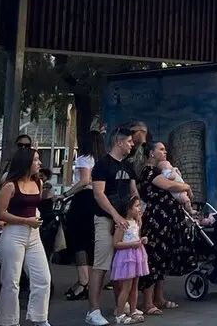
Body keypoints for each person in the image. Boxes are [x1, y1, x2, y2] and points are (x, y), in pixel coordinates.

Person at [0, 148, 51, 326]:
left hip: (33, 234)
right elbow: (0, 213)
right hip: (14, 233)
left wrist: (33, 218)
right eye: (35, 160)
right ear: (26, 163)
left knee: (43, 277)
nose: (39, 163)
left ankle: (39, 317)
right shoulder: (10, 185)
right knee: (11, 280)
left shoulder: (38, 183)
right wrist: (24, 220)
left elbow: (35, 204)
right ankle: (9, 321)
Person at [86, 128, 137, 326]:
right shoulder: (102, 165)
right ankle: (93, 310)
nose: (132, 145)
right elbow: (99, 194)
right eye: (130, 141)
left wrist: (136, 214)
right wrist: (115, 215)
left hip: (124, 221)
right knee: (101, 265)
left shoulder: (128, 166)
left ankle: (121, 305)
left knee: (122, 264)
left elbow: (133, 192)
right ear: (119, 142)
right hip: (105, 219)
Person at [138, 142, 195, 316]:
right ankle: (148, 302)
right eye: (160, 149)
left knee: (163, 259)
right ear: (151, 153)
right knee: (154, 260)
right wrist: (186, 186)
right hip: (157, 221)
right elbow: (170, 186)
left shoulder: (161, 171)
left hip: (167, 221)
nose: (165, 152)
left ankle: (159, 298)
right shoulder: (149, 171)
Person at [61, 130, 106, 301]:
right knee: (91, 241)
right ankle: (91, 281)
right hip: (97, 199)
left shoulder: (83, 159)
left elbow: (85, 180)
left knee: (78, 241)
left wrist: (66, 194)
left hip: (82, 200)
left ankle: (83, 281)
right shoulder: (102, 160)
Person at [111, 196, 149, 325]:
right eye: (137, 206)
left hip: (137, 255)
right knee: (126, 287)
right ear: (128, 208)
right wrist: (132, 245)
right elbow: (116, 243)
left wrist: (141, 240)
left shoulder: (137, 222)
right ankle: (120, 313)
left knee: (134, 286)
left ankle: (133, 310)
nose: (139, 209)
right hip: (127, 257)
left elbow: (136, 237)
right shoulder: (123, 224)